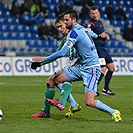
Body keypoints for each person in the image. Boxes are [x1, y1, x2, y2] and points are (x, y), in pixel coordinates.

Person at [32, 10, 122, 122]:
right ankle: (64, 104)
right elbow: (93, 35)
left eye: (66, 20)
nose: (64, 23)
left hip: (91, 69)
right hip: (80, 67)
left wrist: (43, 61)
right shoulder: (81, 29)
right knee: (55, 79)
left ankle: (113, 112)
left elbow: (61, 53)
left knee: (89, 102)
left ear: (73, 20)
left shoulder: (74, 32)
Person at [32, 13, 98, 118]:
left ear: (67, 23)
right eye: (57, 27)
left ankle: (57, 106)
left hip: (81, 66)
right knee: (51, 81)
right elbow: (58, 53)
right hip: (73, 65)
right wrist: (41, 63)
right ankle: (71, 105)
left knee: (58, 80)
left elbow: (94, 35)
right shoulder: (65, 39)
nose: (59, 29)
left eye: (61, 26)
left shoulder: (77, 32)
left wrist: (91, 33)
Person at [88, 6, 115, 96]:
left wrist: (105, 35)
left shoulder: (100, 22)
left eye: (96, 13)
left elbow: (102, 34)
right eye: (93, 13)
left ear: (99, 13)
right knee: (102, 69)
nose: (95, 15)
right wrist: (100, 35)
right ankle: (94, 89)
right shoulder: (90, 24)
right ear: (90, 14)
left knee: (111, 68)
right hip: (97, 50)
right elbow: (89, 35)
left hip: (103, 49)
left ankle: (105, 89)